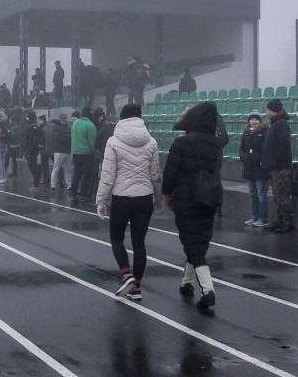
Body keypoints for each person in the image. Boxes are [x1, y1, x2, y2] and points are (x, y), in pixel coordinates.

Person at [97, 103, 163, 301]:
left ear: (121, 118)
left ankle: (126, 275)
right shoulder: (151, 142)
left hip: (121, 198)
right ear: (140, 117)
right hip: (144, 198)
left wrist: (100, 200)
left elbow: (108, 175)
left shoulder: (113, 141)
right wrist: (158, 199)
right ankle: (136, 287)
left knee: (117, 238)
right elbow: (156, 175)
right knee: (139, 243)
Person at [161, 101, 221, 308]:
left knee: (192, 241)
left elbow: (170, 172)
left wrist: (166, 194)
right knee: (197, 240)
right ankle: (187, 282)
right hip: (208, 196)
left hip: (186, 197)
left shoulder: (181, 143)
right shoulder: (214, 143)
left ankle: (208, 290)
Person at [261, 98, 294, 233]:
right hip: (275, 167)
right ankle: (280, 219)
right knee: (277, 194)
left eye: (268, 109)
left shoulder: (281, 124)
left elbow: (284, 145)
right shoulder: (275, 123)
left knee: (282, 195)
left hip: (281, 167)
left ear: (273, 110)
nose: (266, 111)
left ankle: (288, 222)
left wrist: (276, 161)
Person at [239, 111, 270, 227]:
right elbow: (242, 147)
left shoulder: (265, 132)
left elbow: (267, 148)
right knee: (253, 195)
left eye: (256, 119)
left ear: (260, 121)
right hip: (248, 167)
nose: (254, 121)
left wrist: (261, 159)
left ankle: (263, 219)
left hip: (260, 168)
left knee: (261, 195)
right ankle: (255, 217)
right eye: (252, 119)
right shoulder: (246, 132)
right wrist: (243, 156)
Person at [70, 106, 97, 203]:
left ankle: (73, 193)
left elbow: (72, 137)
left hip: (76, 152)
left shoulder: (75, 124)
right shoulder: (90, 125)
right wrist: (95, 154)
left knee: (77, 174)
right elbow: (92, 142)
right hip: (87, 153)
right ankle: (83, 194)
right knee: (86, 175)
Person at [23, 111, 44, 192]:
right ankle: (36, 182)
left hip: (33, 151)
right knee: (34, 166)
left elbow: (31, 140)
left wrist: (28, 151)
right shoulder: (35, 127)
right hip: (35, 150)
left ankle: (36, 185)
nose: (26, 118)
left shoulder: (32, 128)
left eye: (27, 117)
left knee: (33, 166)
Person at [52, 113, 73, 192]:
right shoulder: (56, 127)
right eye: (63, 118)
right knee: (56, 169)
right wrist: (67, 136)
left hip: (68, 150)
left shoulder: (68, 127)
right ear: (59, 119)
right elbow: (57, 138)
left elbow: (63, 137)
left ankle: (69, 185)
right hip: (59, 151)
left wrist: (63, 135)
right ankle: (53, 185)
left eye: (65, 118)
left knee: (68, 169)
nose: (64, 120)